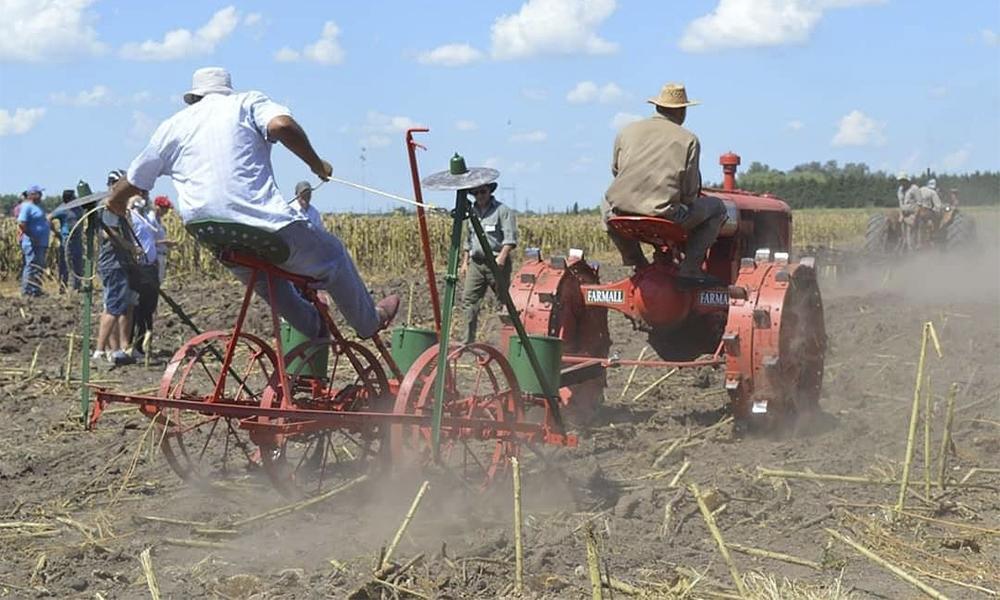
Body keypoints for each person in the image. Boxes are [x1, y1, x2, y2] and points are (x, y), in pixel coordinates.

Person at [105, 67, 398, 341]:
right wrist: (317, 164)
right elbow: (282, 125)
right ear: (227, 92)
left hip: (212, 234)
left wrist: (114, 205)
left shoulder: (172, 126)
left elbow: (133, 180)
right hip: (262, 224)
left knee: (269, 283)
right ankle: (368, 323)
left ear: (193, 98)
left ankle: (315, 329)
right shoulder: (246, 103)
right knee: (333, 255)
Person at [602, 83, 726, 289]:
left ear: (658, 106)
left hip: (622, 212)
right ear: (682, 110)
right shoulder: (688, 139)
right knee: (717, 208)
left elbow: (616, 170)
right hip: (665, 215)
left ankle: (637, 262)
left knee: (606, 208)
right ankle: (690, 269)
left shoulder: (626, 131)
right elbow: (689, 192)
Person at [461, 181, 517, 344]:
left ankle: (510, 341)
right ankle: (467, 342)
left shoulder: (502, 211)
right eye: (476, 193)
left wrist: (502, 257)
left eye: (482, 192)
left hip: (496, 264)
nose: (479, 196)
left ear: (489, 191)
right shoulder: (471, 214)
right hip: (476, 264)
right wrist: (465, 262)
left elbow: (510, 239)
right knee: (468, 301)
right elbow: (468, 240)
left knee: (504, 302)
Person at [94, 170, 140, 365]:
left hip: (122, 262)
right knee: (113, 306)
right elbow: (109, 235)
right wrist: (130, 247)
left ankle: (120, 349)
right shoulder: (109, 207)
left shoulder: (119, 208)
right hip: (113, 262)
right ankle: (99, 351)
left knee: (123, 306)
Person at [128, 194, 161, 360]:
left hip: (151, 266)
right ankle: (133, 346)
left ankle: (142, 346)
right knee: (138, 309)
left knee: (148, 309)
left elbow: (152, 240)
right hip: (139, 267)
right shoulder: (130, 217)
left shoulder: (145, 218)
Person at [49, 189, 85, 292]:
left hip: (78, 239)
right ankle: (63, 286)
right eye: (74, 197)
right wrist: (56, 233)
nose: (76, 198)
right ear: (69, 199)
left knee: (77, 262)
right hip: (67, 240)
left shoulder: (78, 208)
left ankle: (77, 286)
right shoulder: (62, 209)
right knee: (66, 263)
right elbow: (49, 218)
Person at [17, 185, 49, 297]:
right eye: (39, 194)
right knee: (31, 266)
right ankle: (27, 290)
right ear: (32, 195)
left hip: (41, 242)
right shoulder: (27, 207)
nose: (41, 196)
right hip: (32, 243)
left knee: (38, 267)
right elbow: (21, 223)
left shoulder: (37, 207)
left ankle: (35, 290)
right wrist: (32, 236)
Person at [149, 196, 175, 282]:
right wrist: (165, 242)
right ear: (157, 206)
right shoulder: (150, 220)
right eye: (164, 208)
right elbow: (147, 241)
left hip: (161, 255)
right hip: (154, 256)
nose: (166, 211)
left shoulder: (159, 221)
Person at [896, 172, 923, 250]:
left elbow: (919, 204)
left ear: (907, 180)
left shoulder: (914, 188)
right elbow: (900, 203)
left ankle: (912, 252)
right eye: (900, 180)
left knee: (910, 235)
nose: (901, 182)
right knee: (902, 235)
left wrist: (915, 217)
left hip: (913, 215)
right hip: (904, 215)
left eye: (903, 180)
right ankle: (904, 249)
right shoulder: (900, 190)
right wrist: (901, 215)